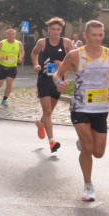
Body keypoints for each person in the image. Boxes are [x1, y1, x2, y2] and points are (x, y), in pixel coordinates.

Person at [54, 20, 109, 202]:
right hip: (80, 107)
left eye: (101, 35)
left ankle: (83, 144)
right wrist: (59, 83)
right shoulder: (75, 55)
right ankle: (88, 186)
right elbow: (57, 73)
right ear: (86, 36)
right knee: (89, 148)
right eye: (94, 35)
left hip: (100, 109)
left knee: (98, 153)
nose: (98, 38)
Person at [31, 17, 74, 153]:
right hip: (43, 80)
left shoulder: (66, 43)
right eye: (53, 29)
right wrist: (36, 64)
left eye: (58, 30)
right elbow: (34, 53)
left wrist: (63, 65)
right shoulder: (42, 42)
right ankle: (52, 142)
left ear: (61, 30)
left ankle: (40, 122)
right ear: (48, 30)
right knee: (48, 111)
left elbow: (74, 60)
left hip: (58, 82)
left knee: (49, 111)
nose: (55, 32)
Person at [0, 29, 23, 106]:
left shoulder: (18, 43)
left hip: (12, 67)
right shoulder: (1, 43)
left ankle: (4, 100)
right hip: (2, 67)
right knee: (0, 84)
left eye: (12, 34)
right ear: (6, 35)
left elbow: (22, 52)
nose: (11, 36)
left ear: (15, 35)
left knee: (9, 82)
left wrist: (20, 57)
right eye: (9, 34)